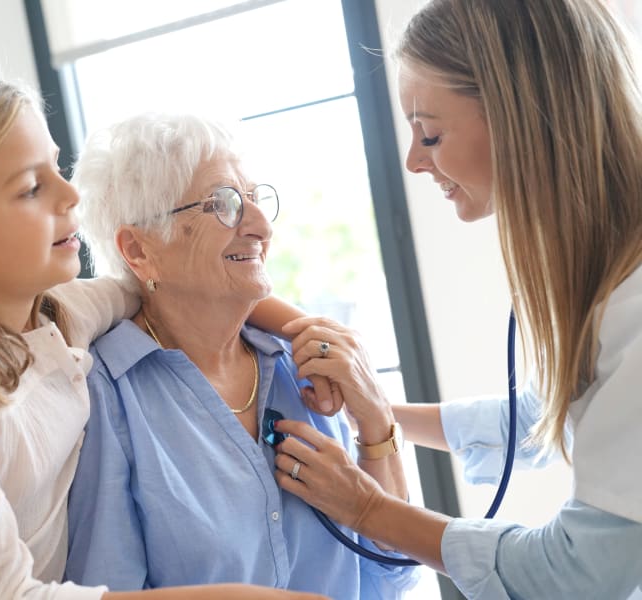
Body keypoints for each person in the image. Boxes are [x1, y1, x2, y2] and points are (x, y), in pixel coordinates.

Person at [0, 68, 326, 600]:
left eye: (56, 168)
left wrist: (311, 331)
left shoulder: (59, 316)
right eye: (31, 187)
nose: (71, 194)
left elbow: (163, 287)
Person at [268, 0, 642, 598]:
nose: (415, 160)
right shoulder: (611, 275)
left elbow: (580, 572)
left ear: (520, 114)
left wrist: (366, 507)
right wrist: (378, 408)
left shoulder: (635, 307)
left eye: (430, 133)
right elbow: (549, 415)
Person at [63, 112, 419, 599]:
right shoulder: (107, 398)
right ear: (139, 250)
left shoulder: (302, 371)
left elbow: (388, 579)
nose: (259, 226)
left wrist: (376, 424)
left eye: (255, 198)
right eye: (224, 204)